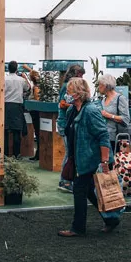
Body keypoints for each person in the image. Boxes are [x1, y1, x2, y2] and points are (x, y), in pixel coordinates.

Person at [57, 78, 118, 237]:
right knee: (89, 191)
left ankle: (78, 228)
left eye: (69, 92)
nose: (66, 95)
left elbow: (103, 135)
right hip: (79, 158)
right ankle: (111, 220)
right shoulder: (72, 111)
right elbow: (63, 128)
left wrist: (105, 161)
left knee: (79, 190)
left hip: (91, 160)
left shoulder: (90, 111)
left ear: (77, 94)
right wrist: (62, 110)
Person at [97, 74, 131, 211]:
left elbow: (126, 119)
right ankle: (111, 198)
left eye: (100, 85)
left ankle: (128, 200)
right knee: (107, 168)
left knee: (123, 169)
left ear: (107, 85)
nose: (99, 87)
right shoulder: (103, 99)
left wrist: (109, 116)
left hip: (119, 138)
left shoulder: (120, 98)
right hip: (106, 137)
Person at [56, 64, 85, 192]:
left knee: (71, 152)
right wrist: (76, 105)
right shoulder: (66, 87)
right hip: (65, 123)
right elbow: (62, 104)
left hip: (70, 123)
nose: (82, 78)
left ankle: (69, 179)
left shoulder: (73, 87)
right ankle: (64, 181)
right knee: (69, 153)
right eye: (80, 75)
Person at [4, 61, 30, 158]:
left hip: (6, 106)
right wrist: (24, 77)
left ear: (8, 68)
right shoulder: (21, 80)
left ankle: (5, 154)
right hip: (17, 106)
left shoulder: (4, 79)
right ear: (16, 69)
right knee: (16, 131)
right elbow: (28, 88)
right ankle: (16, 153)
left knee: (5, 130)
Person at [25, 65, 41, 161]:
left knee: (38, 132)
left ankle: (38, 154)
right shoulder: (35, 86)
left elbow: (36, 99)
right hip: (34, 112)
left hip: (35, 112)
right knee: (37, 132)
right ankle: (38, 154)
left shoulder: (36, 88)